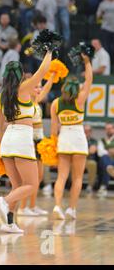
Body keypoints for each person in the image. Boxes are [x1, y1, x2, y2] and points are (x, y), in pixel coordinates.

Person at [0, 49, 52, 234]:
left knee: (18, 186)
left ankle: (9, 223)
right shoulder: (24, 88)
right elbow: (42, 72)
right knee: (32, 185)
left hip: (7, 141)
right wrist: (49, 52)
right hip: (21, 138)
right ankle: (4, 201)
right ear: (21, 75)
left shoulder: (2, 96)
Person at [51, 54, 93, 220]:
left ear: (64, 88)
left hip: (64, 138)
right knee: (77, 178)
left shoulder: (55, 103)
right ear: (77, 88)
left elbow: (54, 130)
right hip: (78, 136)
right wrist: (87, 62)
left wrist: (52, 144)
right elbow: (89, 80)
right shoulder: (80, 100)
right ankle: (71, 209)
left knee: (61, 176)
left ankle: (57, 206)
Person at [18, 73, 54, 216]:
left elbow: (46, 89)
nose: (39, 89)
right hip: (29, 141)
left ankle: (32, 206)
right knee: (28, 178)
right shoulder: (25, 102)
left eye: (39, 87)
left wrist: (52, 76)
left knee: (38, 176)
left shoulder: (37, 101)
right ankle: (22, 207)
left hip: (39, 141)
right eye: (36, 87)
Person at [84, 125, 98, 193]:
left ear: (91, 132)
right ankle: (71, 184)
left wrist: (83, 152)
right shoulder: (79, 140)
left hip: (88, 160)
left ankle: (90, 186)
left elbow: (92, 150)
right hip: (77, 160)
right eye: (85, 131)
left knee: (93, 163)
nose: (86, 132)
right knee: (71, 164)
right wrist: (87, 151)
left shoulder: (93, 141)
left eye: (88, 131)